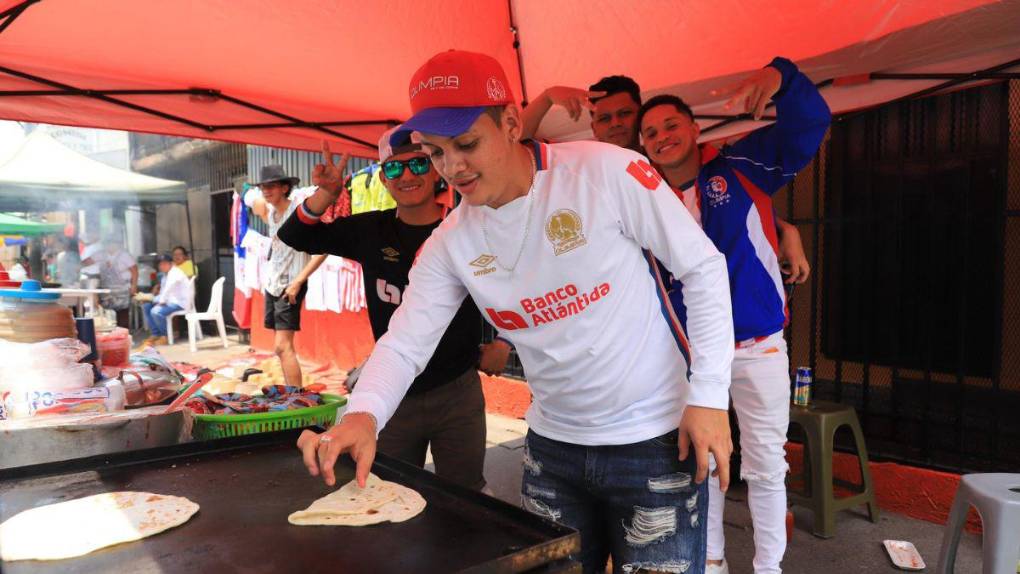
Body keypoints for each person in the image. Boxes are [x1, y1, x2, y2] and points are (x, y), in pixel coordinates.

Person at [295, 50, 736, 574]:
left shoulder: (605, 171)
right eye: (436, 152)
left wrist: (709, 396)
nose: (452, 167)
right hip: (553, 449)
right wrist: (362, 415)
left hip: (655, 436)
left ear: (510, 123)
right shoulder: (450, 241)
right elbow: (406, 342)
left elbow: (702, 268)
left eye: (466, 144)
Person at [637, 57, 831, 574]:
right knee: (703, 462)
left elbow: (809, 126)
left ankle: (769, 568)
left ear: (693, 127)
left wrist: (783, 77)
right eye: (650, 133)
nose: (662, 137)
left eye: (671, 125)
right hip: (691, 356)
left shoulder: (740, 165)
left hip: (757, 346)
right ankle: (712, 561)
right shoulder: (644, 201)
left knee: (766, 465)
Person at [278, 127, 510, 490]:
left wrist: (504, 340)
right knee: (386, 492)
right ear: (383, 180)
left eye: (418, 164)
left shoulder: (463, 228)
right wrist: (327, 193)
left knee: (464, 493)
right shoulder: (371, 230)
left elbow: (512, 281)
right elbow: (294, 235)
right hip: (391, 395)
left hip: (457, 391)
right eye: (393, 168)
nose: (406, 176)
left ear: (436, 170)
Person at [521, 76, 810, 285]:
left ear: (640, 118)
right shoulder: (578, 167)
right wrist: (547, 98)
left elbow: (724, 205)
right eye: (604, 118)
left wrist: (780, 228)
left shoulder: (666, 167)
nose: (616, 123)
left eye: (625, 114)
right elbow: (515, 145)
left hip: (671, 303)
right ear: (593, 127)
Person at [248, 165, 327, 387]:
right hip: (273, 284)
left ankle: (296, 397)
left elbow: (323, 250)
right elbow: (255, 204)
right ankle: (291, 394)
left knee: (283, 346)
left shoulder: (299, 213)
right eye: (263, 187)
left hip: (290, 285)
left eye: (271, 186)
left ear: (285, 188)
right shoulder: (271, 214)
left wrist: (298, 282)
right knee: (280, 348)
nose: (266, 191)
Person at [139, 253, 192, 347]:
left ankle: (165, 336)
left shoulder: (175, 273)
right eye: (160, 264)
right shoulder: (164, 276)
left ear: (171, 264)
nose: (162, 266)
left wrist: (154, 299)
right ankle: (156, 334)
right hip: (170, 301)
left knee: (156, 311)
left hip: (180, 303)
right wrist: (150, 299)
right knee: (146, 306)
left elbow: (167, 291)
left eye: (165, 264)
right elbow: (163, 294)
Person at [97, 232, 138, 328]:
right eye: (107, 243)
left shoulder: (124, 255)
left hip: (122, 289)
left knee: (122, 312)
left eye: (111, 243)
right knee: (107, 313)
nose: (109, 246)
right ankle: (111, 332)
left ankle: (123, 332)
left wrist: (134, 286)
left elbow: (134, 270)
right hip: (107, 289)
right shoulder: (103, 255)